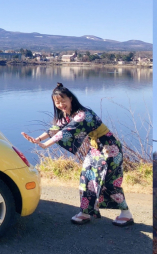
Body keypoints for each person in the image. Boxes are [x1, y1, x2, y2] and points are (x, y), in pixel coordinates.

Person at [22, 83, 133, 227]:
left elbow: (65, 132)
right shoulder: (69, 115)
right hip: (95, 149)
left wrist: (45, 145)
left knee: (109, 182)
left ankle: (126, 214)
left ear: (70, 99)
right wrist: (38, 139)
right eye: (57, 102)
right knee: (86, 178)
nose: (61, 105)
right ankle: (85, 212)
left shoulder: (83, 115)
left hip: (110, 148)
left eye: (63, 101)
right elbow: (56, 128)